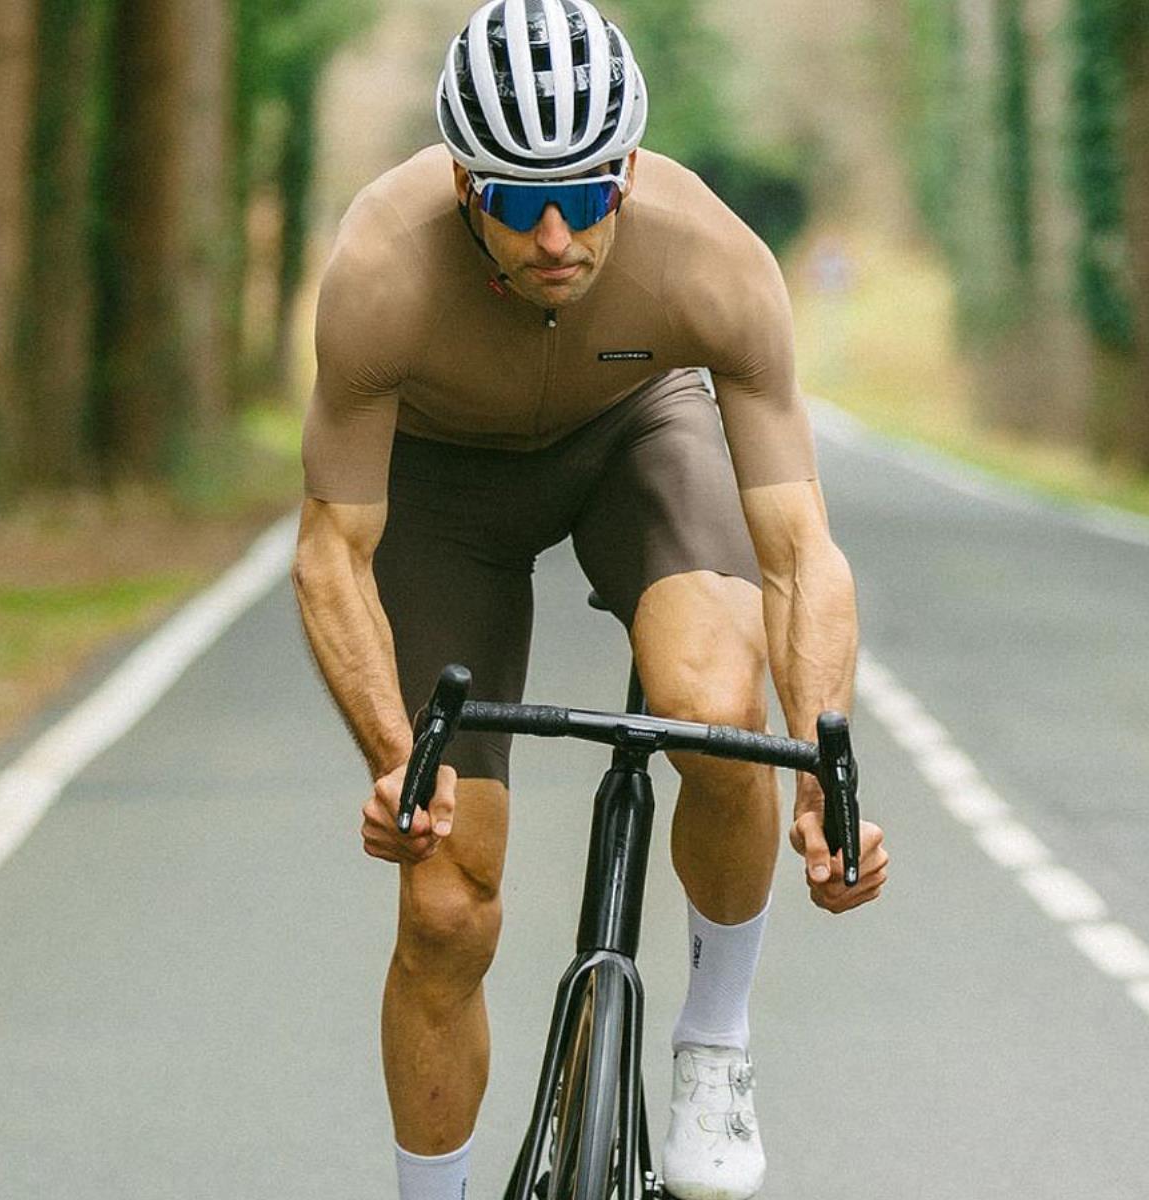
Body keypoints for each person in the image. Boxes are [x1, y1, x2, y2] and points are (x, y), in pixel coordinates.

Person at [292, 1, 889, 1196]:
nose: (557, 234)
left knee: (718, 714)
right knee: (445, 903)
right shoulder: (382, 267)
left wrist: (825, 779)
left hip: (637, 438)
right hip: (442, 483)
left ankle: (714, 1043)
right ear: (464, 185)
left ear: (628, 170)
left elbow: (798, 552)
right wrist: (398, 762)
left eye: (586, 191)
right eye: (519, 202)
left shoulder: (710, 257)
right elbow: (332, 554)